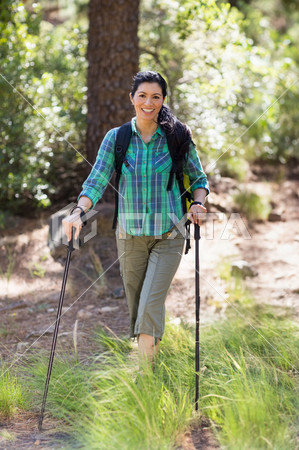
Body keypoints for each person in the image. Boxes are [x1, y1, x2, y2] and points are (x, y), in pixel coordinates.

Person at [63, 71, 209, 373]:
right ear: (132, 98)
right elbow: (96, 181)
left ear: (163, 100)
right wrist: (79, 210)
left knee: (150, 302)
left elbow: (199, 178)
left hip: (170, 234)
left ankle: (145, 379)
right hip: (129, 235)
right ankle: (148, 355)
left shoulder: (177, 135)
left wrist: (198, 203)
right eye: (142, 95)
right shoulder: (117, 139)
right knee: (136, 308)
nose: (148, 102)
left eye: (156, 96)